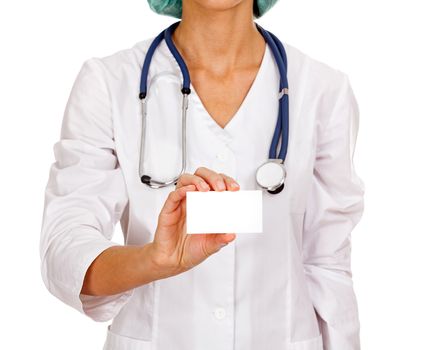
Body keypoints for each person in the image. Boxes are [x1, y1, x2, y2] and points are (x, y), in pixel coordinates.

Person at [39, 0, 365, 349]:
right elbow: (64, 249)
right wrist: (153, 259)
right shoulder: (108, 82)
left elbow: (328, 266)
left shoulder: (322, 90)